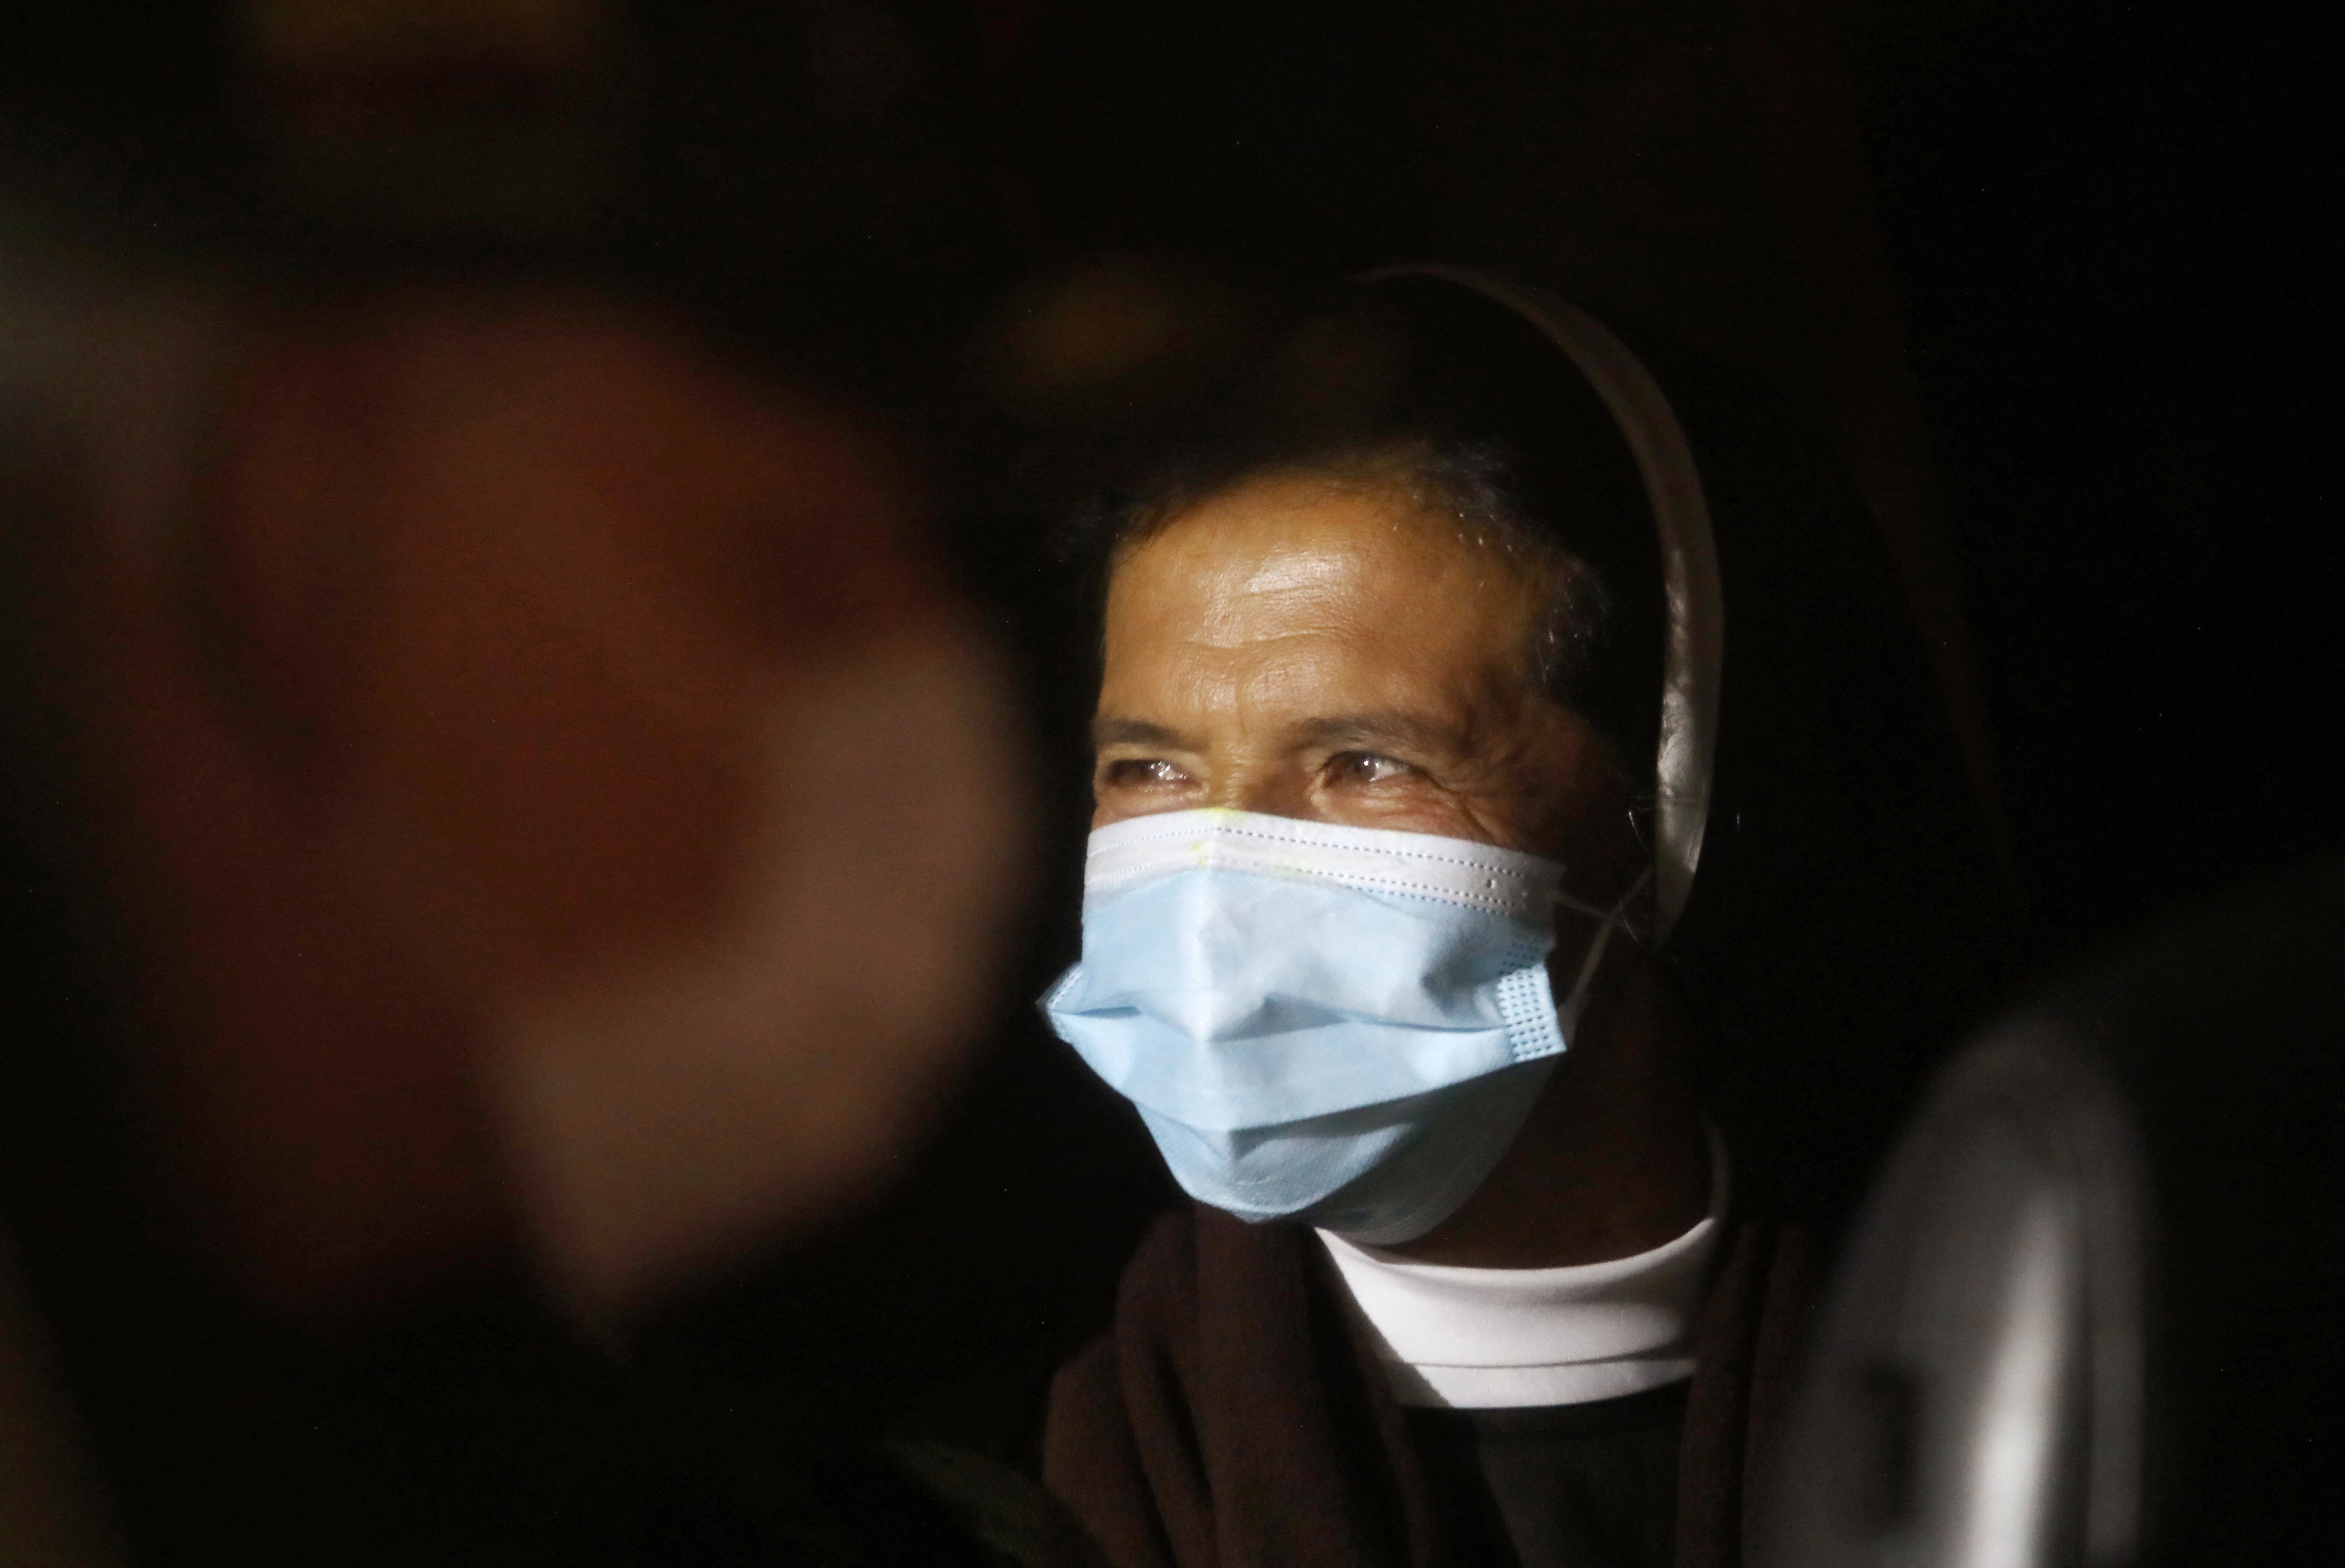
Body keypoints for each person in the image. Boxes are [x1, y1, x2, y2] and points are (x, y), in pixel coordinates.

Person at [1032, 269, 2007, 1568]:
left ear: (1677, 812)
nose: (1215, 891)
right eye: (1150, 770)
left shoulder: (2058, 1389)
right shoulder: (1033, 1495)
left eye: (1367, 764)